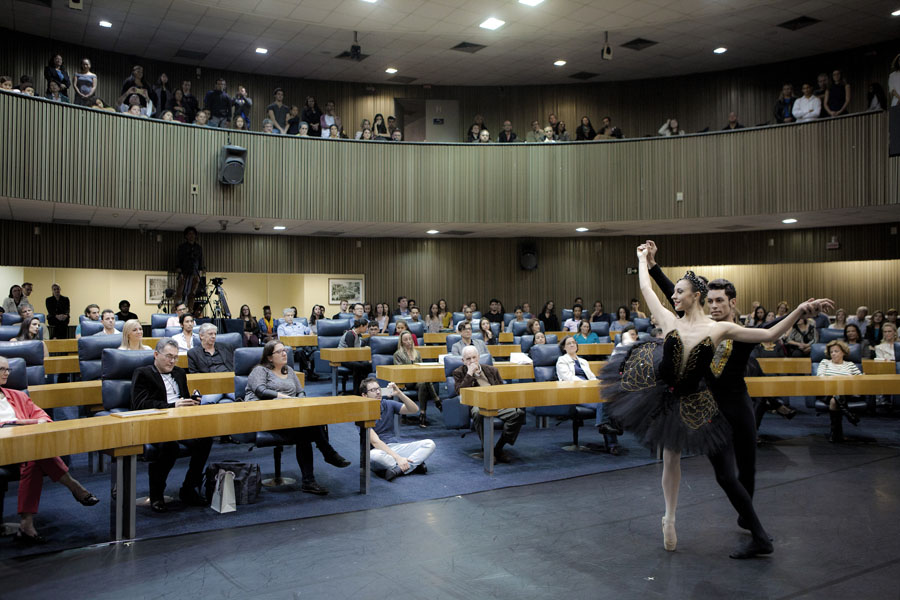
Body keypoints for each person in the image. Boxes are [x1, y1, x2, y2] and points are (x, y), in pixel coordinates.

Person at [602, 242, 831, 558]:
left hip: (706, 404)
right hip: (669, 396)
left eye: (681, 293)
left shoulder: (720, 329)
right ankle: (670, 518)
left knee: (731, 472)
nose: (674, 296)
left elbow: (769, 335)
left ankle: (753, 531)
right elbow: (648, 288)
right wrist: (644, 260)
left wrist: (800, 310)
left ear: (694, 296)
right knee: (672, 456)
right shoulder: (670, 320)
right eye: (676, 293)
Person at [0, 356, 98, 544]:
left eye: (8, 369)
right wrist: (24, 422)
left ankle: (27, 524)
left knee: (34, 457)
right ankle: (74, 486)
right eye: (2, 369)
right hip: (3, 449)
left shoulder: (18, 395)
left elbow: (43, 417)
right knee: (36, 453)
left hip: (25, 447)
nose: (7, 373)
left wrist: (32, 422)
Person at [131, 339, 213, 512]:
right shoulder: (143, 373)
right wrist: (172, 406)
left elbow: (183, 398)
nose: (172, 361)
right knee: (170, 447)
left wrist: (192, 401)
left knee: (205, 439)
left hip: (180, 422)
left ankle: (189, 488)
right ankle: (156, 494)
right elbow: (140, 404)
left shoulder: (179, 373)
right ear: (156, 355)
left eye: (175, 357)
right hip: (156, 424)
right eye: (169, 356)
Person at [453, 346, 525, 463]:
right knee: (477, 412)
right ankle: (487, 449)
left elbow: (501, 390)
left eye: (474, 357)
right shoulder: (459, 372)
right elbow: (460, 392)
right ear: (463, 361)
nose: (472, 361)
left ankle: (498, 448)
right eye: (468, 359)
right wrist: (470, 373)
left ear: (478, 357)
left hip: (496, 403)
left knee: (518, 413)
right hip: (477, 403)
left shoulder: (492, 370)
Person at [360, 378, 434, 480]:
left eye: (378, 389)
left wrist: (399, 393)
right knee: (374, 456)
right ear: (364, 395)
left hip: (394, 447)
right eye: (373, 390)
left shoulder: (388, 404)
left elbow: (414, 409)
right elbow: (375, 442)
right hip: (378, 451)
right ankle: (413, 464)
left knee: (429, 444)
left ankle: (398, 469)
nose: (378, 392)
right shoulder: (361, 413)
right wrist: (398, 458)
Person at [816, 340, 862, 443]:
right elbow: (820, 377)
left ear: (843, 352)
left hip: (846, 392)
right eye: (831, 352)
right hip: (827, 391)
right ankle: (848, 414)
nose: (833, 354)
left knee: (834, 401)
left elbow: (859, 379)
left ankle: (835, 434)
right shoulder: (825, 362)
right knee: (835, 396)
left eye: (836, 351)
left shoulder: (850, 364)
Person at [392, 331, 441, 427]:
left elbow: (421, 368)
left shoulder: (417, 353)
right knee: (425, 380)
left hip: (418, 380)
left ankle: (422, 414)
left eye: (410, 339)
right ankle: (437, 400)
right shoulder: (397, 354)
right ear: (401, 342)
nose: (408, 341)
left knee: (424, 383)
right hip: (406, 381)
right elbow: (400, 371)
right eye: (405, 340)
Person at [187, 323, 235, 404]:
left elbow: (236, 366)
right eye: (210, 334)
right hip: (211, 386)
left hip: (229, 383)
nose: (213, 336)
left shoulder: (227, 347)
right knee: (207, 401)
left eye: (215, 334)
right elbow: (194, 374)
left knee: (242, 397)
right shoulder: (193, 353)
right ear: (201, 336)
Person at [338, 319, 372, 394]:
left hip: (353, 357)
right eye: (366, 327)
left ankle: (363, 388)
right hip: (343, 358)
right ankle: (356, 391)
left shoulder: (358, 335)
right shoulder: (350, 334)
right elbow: (351, 352)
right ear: (361, 326)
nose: (367, 329)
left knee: (367, 364)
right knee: (359, 366)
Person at [175, 226, 204, 311]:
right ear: (186, 236)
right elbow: (179, 259)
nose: (191, 236)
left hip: (195, 273)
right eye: (189, 234)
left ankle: (190, 311)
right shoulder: (182, 247)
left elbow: (200, 260)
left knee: (192, 293)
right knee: (180, 293)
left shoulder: (198, 248)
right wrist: (179, 269)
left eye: (193, 234)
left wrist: (200, 271)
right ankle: (177, 310)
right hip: (184, 272)